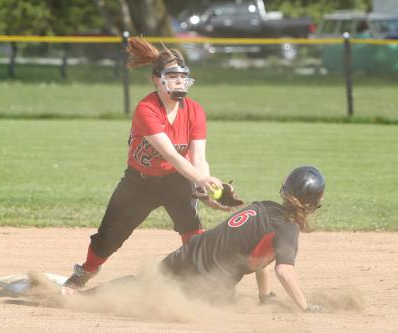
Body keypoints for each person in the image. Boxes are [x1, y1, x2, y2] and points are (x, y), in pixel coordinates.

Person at [64, 37, 240, 289]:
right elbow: (170, 153)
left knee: (191, 227)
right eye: (173, 76)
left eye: (183, 76)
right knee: (109, 237)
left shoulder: (194, 110)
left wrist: (204, 189)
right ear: (157, 80)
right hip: (139, 182)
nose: (179, 82)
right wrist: (200, 179)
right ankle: (86, 271)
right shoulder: (146, 109)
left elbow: (198, 157)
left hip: (175, 179)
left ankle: (202, 283)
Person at [73, 166, 327, 313]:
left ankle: (79, 296)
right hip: (208, 282)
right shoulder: (287, 228)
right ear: (315, 202)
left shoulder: (263, 207)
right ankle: (102, 305)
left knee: (145, 282)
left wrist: (265, 296)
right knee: (181, 304)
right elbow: (283, 270)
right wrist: (305, 307)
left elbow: (261, 258)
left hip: (189, 253)